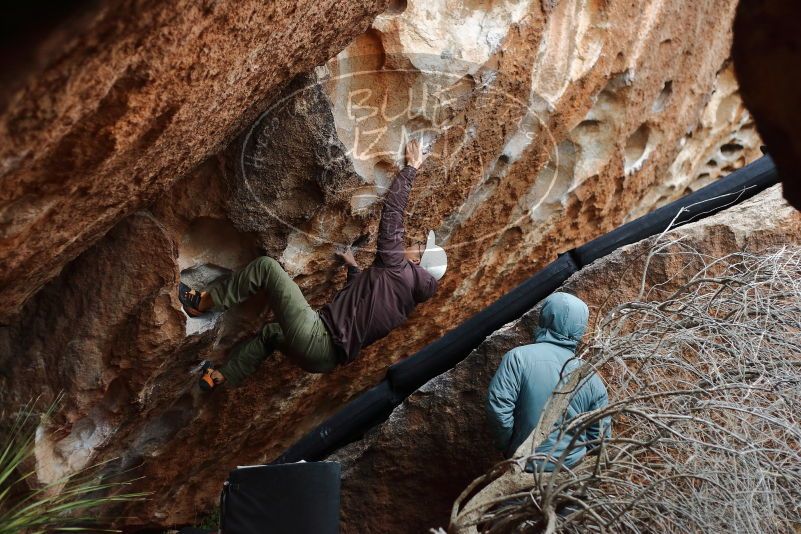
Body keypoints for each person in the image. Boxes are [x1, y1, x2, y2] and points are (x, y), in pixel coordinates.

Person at [178, 139, 447, 390]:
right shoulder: (403, 301)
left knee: (267, 268)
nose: (414, 242)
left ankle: (202, 303)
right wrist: (353, 270)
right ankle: (222, 377)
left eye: (420, 246)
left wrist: (411, 168)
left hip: (316, 336)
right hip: (322, 360)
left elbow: (393, 215)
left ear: (416, 261)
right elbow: (358, 309)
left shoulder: (399, 270)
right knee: (272, 334)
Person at [486, 292, 610, 471]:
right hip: (568, 479)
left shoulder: (518, 358)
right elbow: (600, 439)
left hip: (524, 466)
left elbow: (498, 408)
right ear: (581, 328)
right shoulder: (591, 377)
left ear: (545, 315)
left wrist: (510, 447)